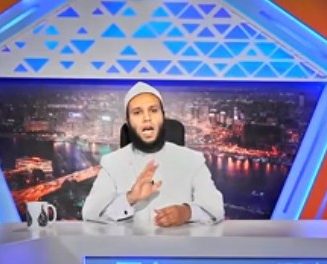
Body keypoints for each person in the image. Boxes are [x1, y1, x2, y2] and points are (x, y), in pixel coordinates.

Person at [81, 82, 224, 226]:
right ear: (128, 122)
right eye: (137, 112)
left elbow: (216, 210)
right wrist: (130, 198)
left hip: (178, 241)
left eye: (153, 110)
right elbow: (91, 214)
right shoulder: (112, 163)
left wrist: (186, 212)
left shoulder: (192, 160)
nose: (147, 118)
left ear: (163, 116)